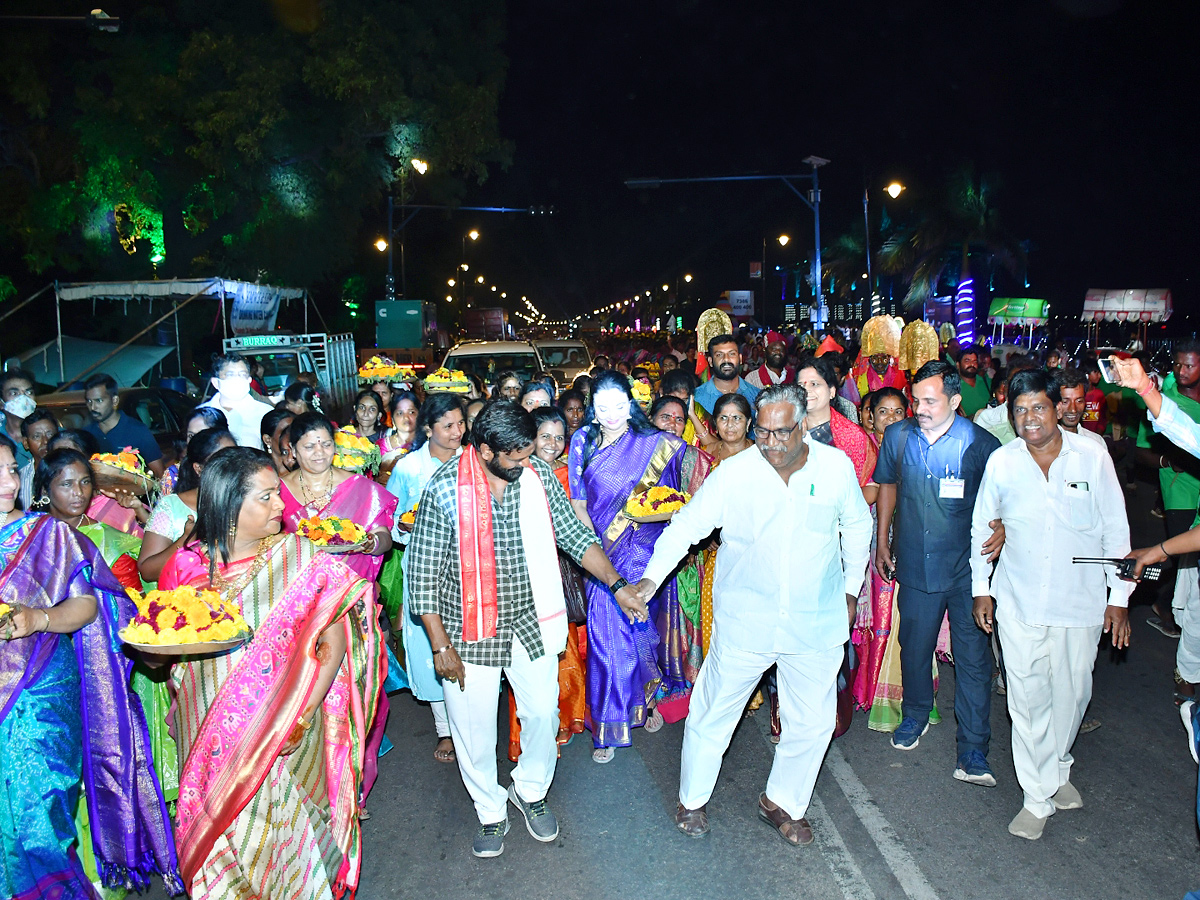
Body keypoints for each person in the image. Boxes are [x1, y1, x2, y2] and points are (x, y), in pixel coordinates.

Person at [406, 400, 642, 858]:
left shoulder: (534, 476)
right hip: (467, 631)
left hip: (531, 621)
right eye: (514, 456)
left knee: (542, 715)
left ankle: (530, 790)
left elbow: (574, 536)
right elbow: (423, 576)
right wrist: (440, 647)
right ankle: (490, 811)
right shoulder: (443, 491)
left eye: (527, 453)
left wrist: (617, 585)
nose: (524, 463)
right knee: (472, 732)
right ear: (485, 450)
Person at [637, 384, 872, 843]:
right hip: (747, 618)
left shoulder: (835, 468)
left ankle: (782, 802)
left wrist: (849, 590)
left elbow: (857, 526)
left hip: (815, 618)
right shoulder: (735, 473)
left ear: (803, 425)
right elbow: (686, 526)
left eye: (783, 432)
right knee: (715, 710)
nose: (772, 443)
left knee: (813, 719)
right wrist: (650, 579)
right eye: (762, 432)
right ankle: (693, 799)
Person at [155, 447, 381, 898]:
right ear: (228, 504)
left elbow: (333, 643)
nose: (282, 505)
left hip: (287, 727)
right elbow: (160, 652)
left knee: (287, 829)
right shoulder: (186, 565)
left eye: (279, 494)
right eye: (267, 497)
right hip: (207, 730)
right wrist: (152, 651)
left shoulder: (300, 557)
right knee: (223, 832)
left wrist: (301, 716)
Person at [0, 434, 181, 899]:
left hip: (37, 691)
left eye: (10, 469)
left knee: (38, 818)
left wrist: (35, 619)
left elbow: (86, 607)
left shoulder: (45, 536)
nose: (6, 481)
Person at [970, 369, 1131, 840]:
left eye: (1038, 407)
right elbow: (984, 524)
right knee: (1025, 701)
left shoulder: (1092, 457)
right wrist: (983, 587)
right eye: (1019, 410)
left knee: (1073, 693)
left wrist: (1118, 598)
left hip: (1079, 603)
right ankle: (1036, 795)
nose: (1029, 418)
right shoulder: (1002, 462)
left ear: (1058, 408)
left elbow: (1115, 531)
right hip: (1018, 600)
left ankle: (1058, 765)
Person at [33, 444, 189, 817]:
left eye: (85, 482)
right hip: (49, 661)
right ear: (44, 492)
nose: (78, 492)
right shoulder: (30, 539)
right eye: (66, 484)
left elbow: (138, 599)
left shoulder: (113, 539)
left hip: (107, 660)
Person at [874, 360, 1003, 786]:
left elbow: (1002, 500)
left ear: (955, 400)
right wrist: (883, 540)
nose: (920, 408)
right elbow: (888, 484)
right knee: (914, 645)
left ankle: (973, 749)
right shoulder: (897, 436)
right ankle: (914, 715)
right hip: (914, 561)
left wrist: (1003, 525)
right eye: (916, 400)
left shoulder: (980, 444)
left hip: (968, 571)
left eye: (930, 401)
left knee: (972, 659)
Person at [570, 373, 693, 761]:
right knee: (607, 639)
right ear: (592, 406)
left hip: (643, 553)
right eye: (602, 407)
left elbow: (678, 487)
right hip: (600, 554)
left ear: (633, 403)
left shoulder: (656, 444)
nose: (611, 415)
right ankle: (608, 725)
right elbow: (578, 501)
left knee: (642, 630)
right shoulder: (583, 441)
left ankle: (647, 698)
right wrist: (595, 546)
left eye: (619, 406)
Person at [385, 393, 467, 764]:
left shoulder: (472, 462)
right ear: (429, 429)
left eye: (461, 423)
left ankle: (470, 718)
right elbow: (393, 521)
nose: (456, 431)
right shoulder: (408, 468)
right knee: (430, 646)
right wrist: (408, 528)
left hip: (467, 566)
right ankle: (445, 729)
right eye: (447, 425)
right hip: (425, 567)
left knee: (468, 639)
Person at [505, 405, 589, 759]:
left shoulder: (572, 471)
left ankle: (563, 718)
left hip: (562, 568)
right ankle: (527, 733)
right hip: (523, 576)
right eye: (545, 437)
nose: (553, 444)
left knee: (564, 648)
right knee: (525, 656)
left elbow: (579, 520)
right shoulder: (514, 474)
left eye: (559, 437)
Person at [853, 387, 911, 731]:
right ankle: (874, 692)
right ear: (870, 416)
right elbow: (865, 496)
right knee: (880, 620)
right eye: (883, 412)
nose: (890, 418)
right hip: (874, 545)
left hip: (909, 543)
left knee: (904, 622)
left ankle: (903, 695)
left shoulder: (915, 446)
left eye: (897, 412)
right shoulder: (865, 449)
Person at [1134, 346, 1200, 643]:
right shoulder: (1167, 398)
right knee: (1185, 551)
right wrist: (1147, 389)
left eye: (1190, 366)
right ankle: (1167, 605)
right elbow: (1182, 432)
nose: (1182, 372)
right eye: (1179, 365)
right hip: (1180, 489)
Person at [139, 428, 236, 584]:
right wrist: (186, 539)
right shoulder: (172, 506)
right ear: (199, 468)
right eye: (223, 461)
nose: (233, 467)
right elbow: (148, 571)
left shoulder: (249, 500)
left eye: (236, 458)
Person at [81, 373, 166, 477]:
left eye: (99, 401)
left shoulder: (138, 431)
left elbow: (160, 474)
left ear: (114, 400)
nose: (93, 407)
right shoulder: (86, 434)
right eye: (89, 401)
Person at [199, 354, 274, 449]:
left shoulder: (265, 413)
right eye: (230, 375)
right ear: (216, 382)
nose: (237, 379)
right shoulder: (200, 415)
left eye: (242, 374)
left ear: (249, 380)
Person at [693, 334, 760, 416]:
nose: (726, 359)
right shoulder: (696, 398)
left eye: (732, 354)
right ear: (710, 361)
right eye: (719, 355)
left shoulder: (756, 396)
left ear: (740, 359)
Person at [697, 392, 755, 463]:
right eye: (723, 418)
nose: (730, 424)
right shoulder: (706, 453)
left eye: (736, 418)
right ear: (716, 423)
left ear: (748, 423)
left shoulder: (759, 454)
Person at [17, 405, 57, 508]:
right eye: (37, 436)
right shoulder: (20, 479)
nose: (45, 441)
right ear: (26, 443)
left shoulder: (72, 471)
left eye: (50, 434)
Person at [378, 390, 420, 483]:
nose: (406, 417)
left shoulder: (428, 445)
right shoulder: (380, 447)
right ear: (392, 418)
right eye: (400, 413)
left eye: (411, 412)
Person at [0, 368, 36, 468]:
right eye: (14, 393)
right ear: (1, 403)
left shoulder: (50, 433)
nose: (24, 399)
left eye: (29, 393)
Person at [259, 406, 295, 475]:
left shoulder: (305, 468)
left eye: (294, 431)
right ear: (267, 440)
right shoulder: (261, 473)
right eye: (284, 432)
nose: (291, 436)